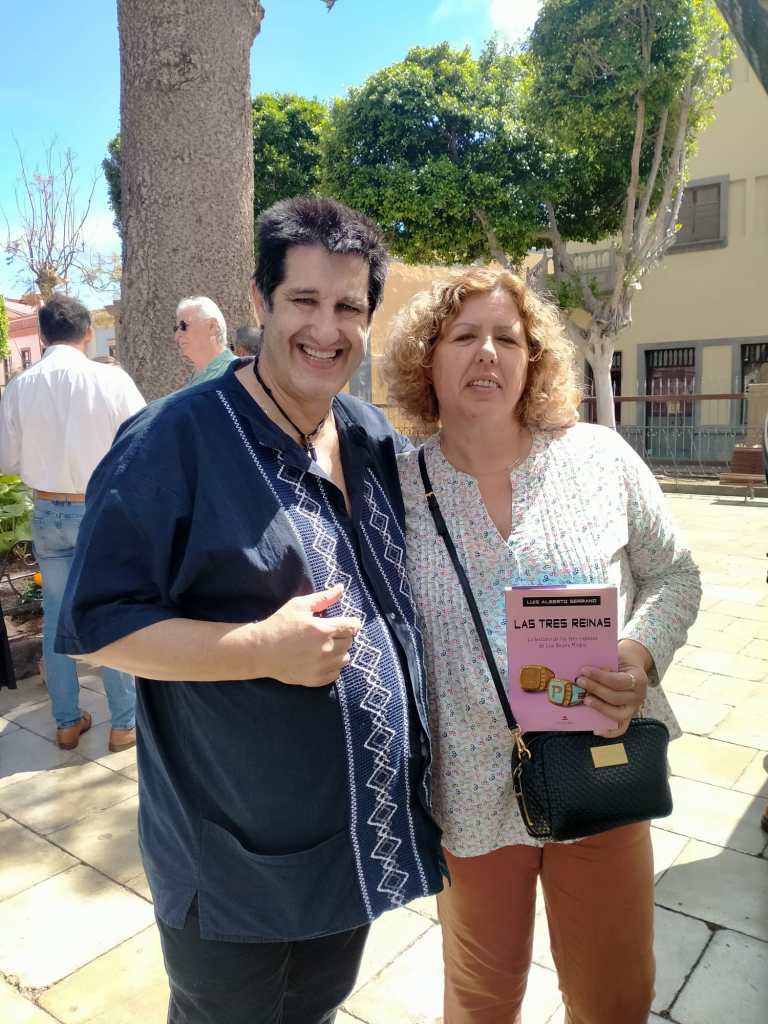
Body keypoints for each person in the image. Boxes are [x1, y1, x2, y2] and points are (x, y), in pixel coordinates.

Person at [55, 196, 444, 1024]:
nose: (326, 328)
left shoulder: (367, 435)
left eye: (348, 307)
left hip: (355, 842)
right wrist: (260, 648)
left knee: (316, 1008)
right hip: (238, 867)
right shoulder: (172, 440)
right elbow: (99, 625)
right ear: (260, 300)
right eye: (304, 299)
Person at [383, 266, 702, 1024]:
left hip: (599, 767)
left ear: (534, 358)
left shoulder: (598, 458)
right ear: (427, 358)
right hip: (467, 791)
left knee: (613, 994)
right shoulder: (391, 489)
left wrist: (636, 656)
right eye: (464, 336)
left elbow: (675, 575)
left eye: (508, 337)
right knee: (481, 997)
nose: (487, 353)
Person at [0, 294, 144, 750]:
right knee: (109, 609)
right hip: (99, 507)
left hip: (47, 508)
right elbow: (143, 440)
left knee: (56, 615)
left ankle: (66, 721)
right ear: (87, 333)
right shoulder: (111, 379)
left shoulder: (20, 386)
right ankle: (124, 722)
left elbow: (7, 458)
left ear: (42, 337)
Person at [174, 295, 236, 384]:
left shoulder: (237, 373)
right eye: (176, 329)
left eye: (183, 326)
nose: (177, 336)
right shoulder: (195, 379)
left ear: (212, 327)